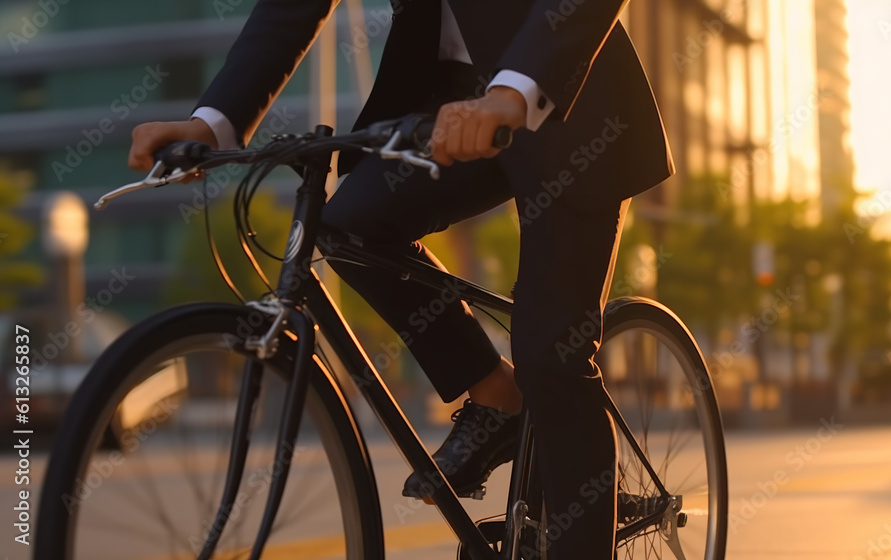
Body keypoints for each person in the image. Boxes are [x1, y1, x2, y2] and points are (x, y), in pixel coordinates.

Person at [128, 1, 674, 557]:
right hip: (449, 106)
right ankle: (495, 394)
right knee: (347, 229)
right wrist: (212, 122)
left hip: (570, 103)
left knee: (550, 355)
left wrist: (515, 90)